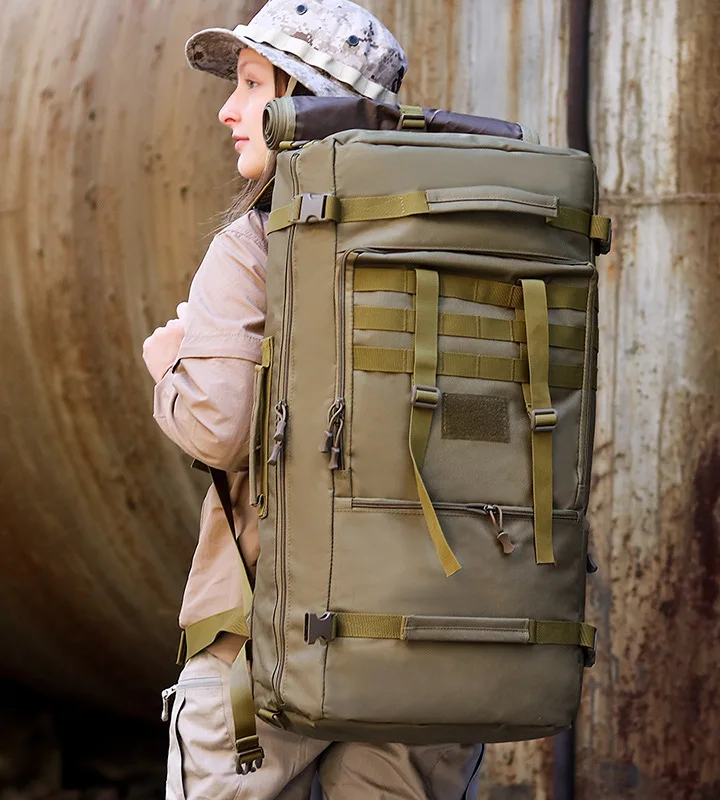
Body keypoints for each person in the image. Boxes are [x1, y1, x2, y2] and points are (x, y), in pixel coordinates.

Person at [141, 1, 484, 798]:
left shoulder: (256, 244)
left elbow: (217, 427)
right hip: (434, 648)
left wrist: (169, 368)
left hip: (273, 649)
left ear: (309, 102)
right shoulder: (466, 247)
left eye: (253, 84)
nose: (229, 110)